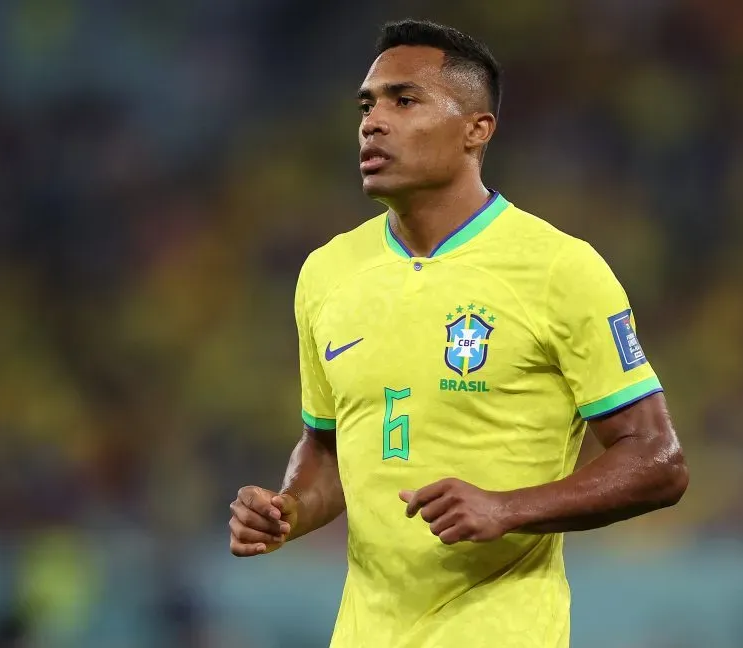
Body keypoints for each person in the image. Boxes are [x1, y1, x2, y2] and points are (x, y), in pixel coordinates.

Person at [228, 18, 688, 648]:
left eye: (404, 100)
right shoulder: (327, 273)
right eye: (367, 104)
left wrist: (508, 508)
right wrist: (287, 510)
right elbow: (331, 446)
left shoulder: (559, 269)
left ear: (477, 130)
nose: (372, 121)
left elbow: (659, 462)